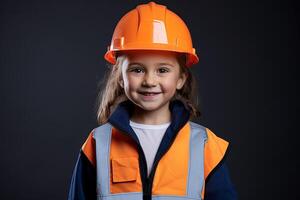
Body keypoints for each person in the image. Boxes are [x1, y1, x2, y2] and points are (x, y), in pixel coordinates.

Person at [68, 1, 238, 200]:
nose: (149, 81)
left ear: (181, 78)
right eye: (137, 70)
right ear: (120, 77)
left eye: (163, 70)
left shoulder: (205, 146)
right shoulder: (98, 143)